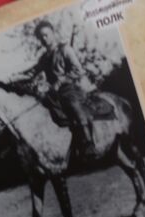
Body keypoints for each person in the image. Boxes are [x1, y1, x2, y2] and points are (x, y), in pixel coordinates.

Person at [26, 18, 99, 159]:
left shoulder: (65, 49)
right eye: (41, 37)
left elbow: (79, 70)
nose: (44, 39)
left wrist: (61, 81)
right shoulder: (44, 58)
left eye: (46, 35)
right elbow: (32, 72)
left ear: (53, 33)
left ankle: (89, 143)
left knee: (73, 105)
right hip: (54, 93)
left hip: (70, 89)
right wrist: (15, 77)